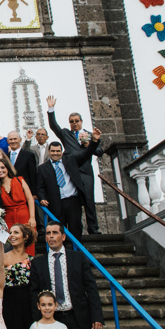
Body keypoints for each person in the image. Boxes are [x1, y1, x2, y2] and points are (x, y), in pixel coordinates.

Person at [46, 96, 105, 235]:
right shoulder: (65, 134)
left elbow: (100, 152)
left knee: (89, 200)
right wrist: (51, 109)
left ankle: (93, 228)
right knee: (73, 202)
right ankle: (74, 229)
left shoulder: (91, 135)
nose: (74, 123)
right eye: (71, 121)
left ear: (81, 122)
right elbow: (54, 125)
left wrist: (89, 144)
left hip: (85, 172)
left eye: (76, 121)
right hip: (70, 172)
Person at [35, 131, 102, 244]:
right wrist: (42, 198)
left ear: (62, 152)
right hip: (56, 203)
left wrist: (94, 141)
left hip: (73, 201)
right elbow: (40, 187)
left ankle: (77, 255)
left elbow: (85, 154)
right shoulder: (43, 168)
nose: (55, 154)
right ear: (49, 152)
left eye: (58, 151)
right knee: (58, 232)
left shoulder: (70, 160)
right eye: (53, 151)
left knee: (75, 229)